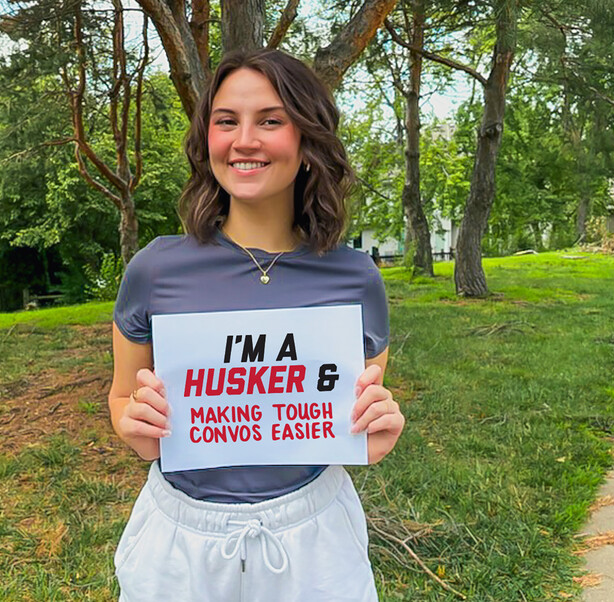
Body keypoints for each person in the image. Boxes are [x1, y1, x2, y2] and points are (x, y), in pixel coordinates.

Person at [107, 48, 405, 602]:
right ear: (208, 141)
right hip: (180, 540)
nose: (245, 140)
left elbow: (348, 411)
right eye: (227, 121)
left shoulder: (355, 277)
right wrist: (133, 424)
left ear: (308, 140)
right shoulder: (154, 269)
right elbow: (123, 396)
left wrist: (372, 428)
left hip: (315, 540)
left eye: (270, 120)